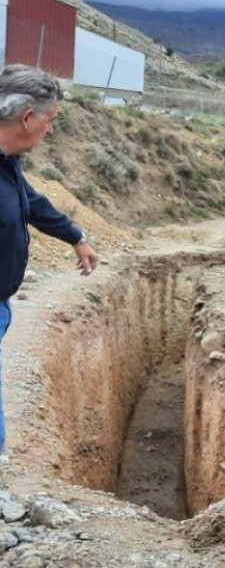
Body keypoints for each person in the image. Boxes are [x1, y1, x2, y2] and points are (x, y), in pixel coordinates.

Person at [0, 64, 99, 454]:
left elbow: (33, 203)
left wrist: (76, 236)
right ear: (27, 117)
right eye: (50, 120)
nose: (51, 129)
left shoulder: (7, 162)